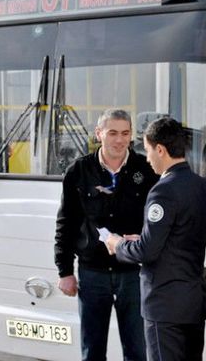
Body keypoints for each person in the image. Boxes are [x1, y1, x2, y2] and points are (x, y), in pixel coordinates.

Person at [106, 117, 206, 361]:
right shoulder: (203, 186)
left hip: (165, 307)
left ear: (160, 150)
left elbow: (147, 252)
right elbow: (180, 237)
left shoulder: (163, 190)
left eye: (146, 151)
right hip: (193, 302)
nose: (146, 158)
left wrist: (119, 245)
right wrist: (142, 238)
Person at [54, 108, 159, 361]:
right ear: (99, 134)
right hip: (92, 275)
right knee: (92, 350)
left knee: (137, 350)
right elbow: (65, 223)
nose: (120, 140)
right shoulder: (78, 171)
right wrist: (65, 271)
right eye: (112, 133)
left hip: (133, 274)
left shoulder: (145, 169)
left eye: (125, 133)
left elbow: (158, 220)